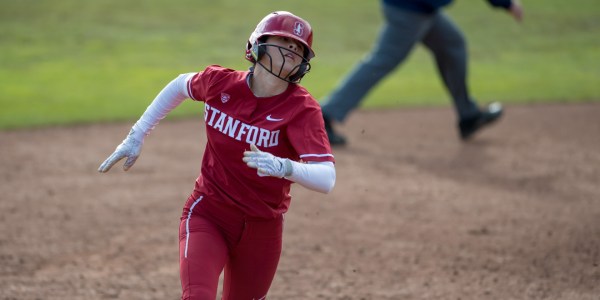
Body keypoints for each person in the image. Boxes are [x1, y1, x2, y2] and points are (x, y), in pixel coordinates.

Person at [98, 11, 336, 299]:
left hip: (263, 226)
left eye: (298, 48)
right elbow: (179, 85)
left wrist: (284, 166)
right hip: (209, 212)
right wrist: (136, 135)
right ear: (258, 45)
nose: (291, 51)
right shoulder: (220, 84)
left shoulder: (302, 109)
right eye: (284, 42)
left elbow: (326, 178)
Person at [321, 0, 524, 146]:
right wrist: (506, 3)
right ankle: (326, 115)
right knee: (381, 62)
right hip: (410, 9)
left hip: (422, 9)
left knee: (453, 45)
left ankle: (468, 115)